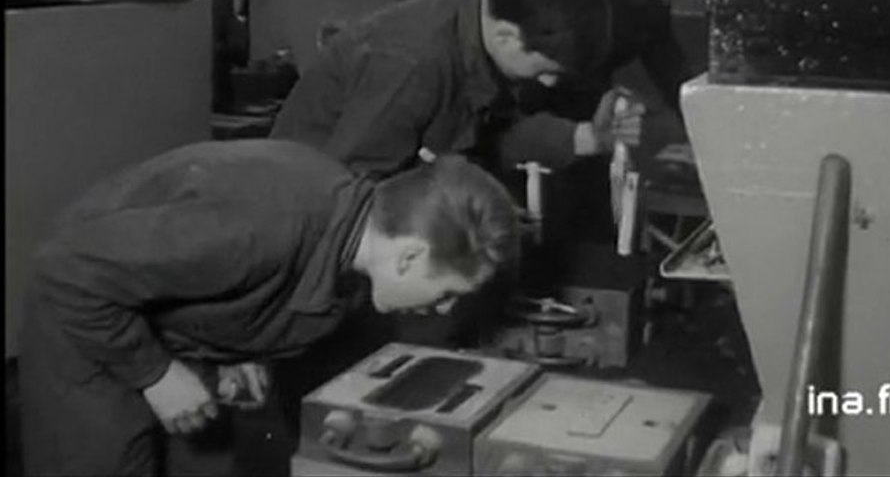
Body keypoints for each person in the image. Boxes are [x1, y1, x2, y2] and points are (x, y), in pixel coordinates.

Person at [18, 141, 518, 477]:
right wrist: (155, 374)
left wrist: (243, 345)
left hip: (166, 320)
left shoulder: (349, 230)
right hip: (86, 313)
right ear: (410, 255)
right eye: (446, 291)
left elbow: (263, 284)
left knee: (208, 461)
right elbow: (65, 271)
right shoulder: (255, 229)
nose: (442, 308)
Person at [270, 0, 643, 179]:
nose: (547, 83)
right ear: (507, 36)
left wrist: (590, 137)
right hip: (305, 222)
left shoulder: (487, 12)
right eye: (546, 71)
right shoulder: (412, 63)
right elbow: (347, 193)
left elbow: (492, 134)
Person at [515, 0, 713, 249]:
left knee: (595, 193)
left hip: (590, 97)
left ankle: (597, 261)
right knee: (559, 196)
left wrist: (697, 117)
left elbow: (665, 62)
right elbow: (562, 55)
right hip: (551, 96)